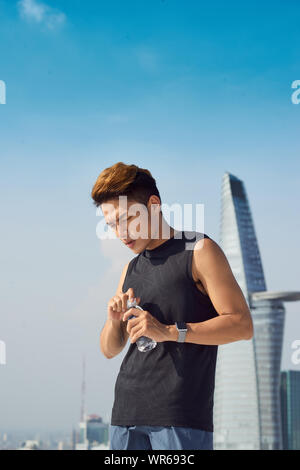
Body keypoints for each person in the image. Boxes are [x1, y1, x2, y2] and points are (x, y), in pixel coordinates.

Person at [91, 162, 253, 450]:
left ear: (153, 205)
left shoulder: (199, 250)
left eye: (127, 219)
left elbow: (241, 325)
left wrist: (169, 331)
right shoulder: (130, 268)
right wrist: (114, 320)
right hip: (125, 416)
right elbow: (109, 350)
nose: (120, 232)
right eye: (112, 224)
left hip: (180, 418)